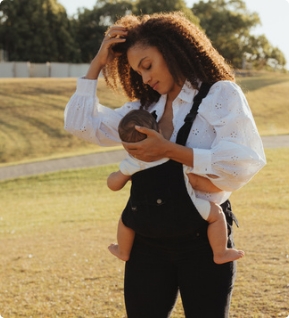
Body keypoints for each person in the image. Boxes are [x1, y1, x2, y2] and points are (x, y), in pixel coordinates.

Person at [64, 12, 266, 318]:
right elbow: (81, 125)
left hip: (204, 240)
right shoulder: (144, 109)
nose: (145, 78)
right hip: (146, 243)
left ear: (171, 49)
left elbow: (244, 160)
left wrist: (169, 150)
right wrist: (98, 62)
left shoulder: (219, 94)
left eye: (148, 65)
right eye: (138, 72)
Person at [107, 109, 244, 264]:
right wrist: (222, 187)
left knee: (126, 221)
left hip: (144, 220)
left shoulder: (131, 164)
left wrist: (115, 176)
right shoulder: (175, 158)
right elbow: (197, 183)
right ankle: (220, 252)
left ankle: (123, 251)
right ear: (158, 132)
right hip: (183, 215)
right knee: (216, 214)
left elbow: (113, 185)